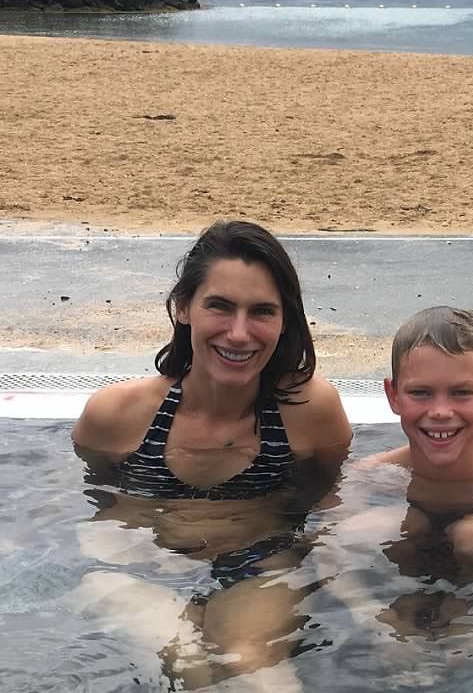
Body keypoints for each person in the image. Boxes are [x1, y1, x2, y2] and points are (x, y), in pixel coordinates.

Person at [71, 220, 353, 691]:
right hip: (143, 570)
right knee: (189, 663)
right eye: (219, 306)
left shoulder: (310, 412)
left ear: (284, 321)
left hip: (257, 566)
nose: (239, 334)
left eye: (262, 311)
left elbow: (331, 511)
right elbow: (94, 514)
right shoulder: (116, 416)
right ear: (183, 307)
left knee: (249, 666)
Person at [331, 306, 473, 638]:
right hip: (401, 575)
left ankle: (471, 621)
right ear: (393, 396)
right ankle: (402, 617)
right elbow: (327, 550)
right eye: (420, 393)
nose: (440, 411)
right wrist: (368, 615)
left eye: (461, 393)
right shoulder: (370, 475)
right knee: (369, 528)